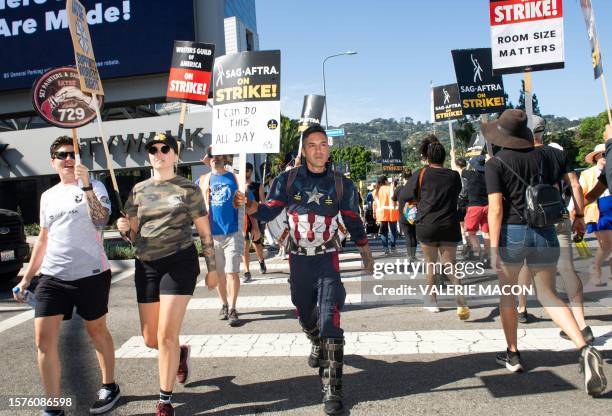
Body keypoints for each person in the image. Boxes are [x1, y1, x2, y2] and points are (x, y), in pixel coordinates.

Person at [246, 124, 373, 415]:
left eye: (323, 144)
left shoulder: (343, 185)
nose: (319, 149)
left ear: (329, 149)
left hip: (328, 258)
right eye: (312, 145)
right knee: (304, 311)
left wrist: (365, 249)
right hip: (299, 260)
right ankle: (315, 340)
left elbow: (353, 219)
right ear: (303, 150)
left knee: (331, 318)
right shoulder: (287, 180)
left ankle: (332, 390)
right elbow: (270, 210)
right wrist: (252, 207)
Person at [484, 110, 606, 396]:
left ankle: (512, 353)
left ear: (501, 136)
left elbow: (496, 208)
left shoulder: (495, 163)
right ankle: (584, 346)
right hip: (545, 230)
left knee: (508, 294)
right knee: (548, 294)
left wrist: (492, 248)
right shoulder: (544, 157)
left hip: (512, 233)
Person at [13, 136, 120, 416]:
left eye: (73, 153)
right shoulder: (47, 196)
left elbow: (101, 219)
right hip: (52, 277)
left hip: (91, 274)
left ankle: (109, 385)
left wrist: (86, 186)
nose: (68, 159)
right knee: (43, 341)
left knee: (96, 331)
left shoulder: (95, 186)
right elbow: (43, 240)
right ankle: (52, 405)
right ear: (53, 162)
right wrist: (26, 278)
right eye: (62, 155)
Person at [117, 133, 219, 416]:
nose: (158, 153)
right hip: (146, 265)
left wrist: (213, 269)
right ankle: (180, 353)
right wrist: (126, 229)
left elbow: (204, 231)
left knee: (165, 335)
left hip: (179, 263)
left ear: (175, 155)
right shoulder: (138, 190)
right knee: (151, 339)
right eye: (153, 149)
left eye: (165, 149)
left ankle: (164, 401)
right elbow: (134, 236)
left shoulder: (188, 189)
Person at [405, 136, 470, 319]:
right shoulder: (454, 175)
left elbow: (404, 195)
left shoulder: (421, 174)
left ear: (427, 157)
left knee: (431, 264)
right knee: (450, 265)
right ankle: (460, 300)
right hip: (449, 224)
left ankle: (432, 301)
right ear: (442, 157)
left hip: (427, 225)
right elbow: (458, 194)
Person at [199, 150, 249, 327]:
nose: (215, 159)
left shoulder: (236, 178)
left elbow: (246, 202)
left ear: (224, 159)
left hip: (233, 231)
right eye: (212, 156)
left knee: (232, 272)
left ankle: (233, 307)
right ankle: (224, 305)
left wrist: (244, 199)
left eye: (218, 156)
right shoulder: (204, 180)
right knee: (219, 274)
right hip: (212, 234)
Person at [581, 143, 611, 289]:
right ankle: (595, 268)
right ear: (597, 157)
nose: (606, 157)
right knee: (606, 247)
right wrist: (574, 213)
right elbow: (581, 195)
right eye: (604, 154)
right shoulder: (587, 174)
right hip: (599, 213)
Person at [462, 155, 490, 267]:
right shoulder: (489, 175)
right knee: (486, 233)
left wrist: (453, 156)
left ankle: (481, 254)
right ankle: (488, 255)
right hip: (487, 206)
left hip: (474, 206)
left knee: (471, 233)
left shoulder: (471, 174)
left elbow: (459, 169)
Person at [242, 162, 267, 283]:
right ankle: (247, 272)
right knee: (244, 245)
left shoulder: (258, 186)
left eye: (247, 170)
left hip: (256, 217)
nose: (245, 172)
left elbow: (263, 202)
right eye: (243, 170)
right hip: (242, 219)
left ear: (251, 171)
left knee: (257, 244)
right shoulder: (238, 186)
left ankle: (261, 260)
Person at [393, 171, 418, 262]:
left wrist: (397, 205)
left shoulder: (399, 189)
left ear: (403, 178)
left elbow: (394, 199)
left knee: (408, 236)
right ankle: (413, 255)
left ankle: (410, 256)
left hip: (403, 215)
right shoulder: (415, 188)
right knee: (414, 235)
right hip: (414, 214)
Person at [373, 175, 398, 255]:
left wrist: (375, 214)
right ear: (386, 181)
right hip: (391, 212)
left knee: (384, 232)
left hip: (381, 213)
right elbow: (394, 199)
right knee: (393, 231)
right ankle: (393, 248)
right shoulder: (390, 188)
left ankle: (386, 249)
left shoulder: (375, 191)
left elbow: (376, 204)